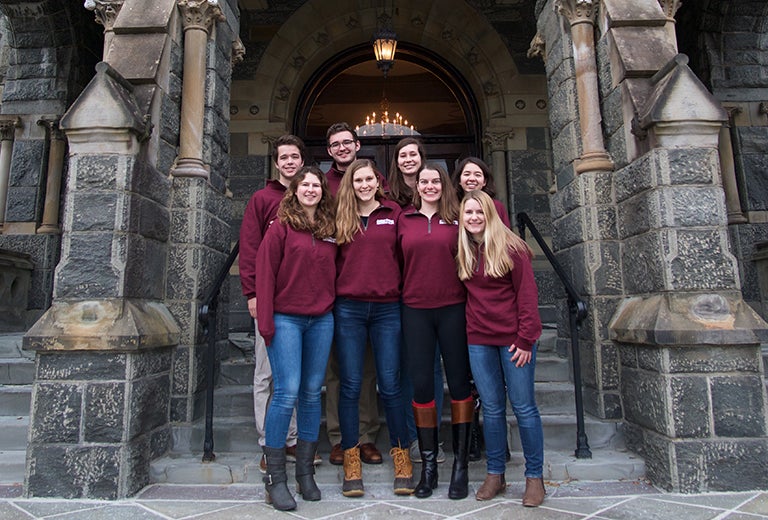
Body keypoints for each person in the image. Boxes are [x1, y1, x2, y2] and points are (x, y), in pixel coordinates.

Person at [255, 166, 337, 511]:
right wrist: (266, 322)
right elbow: (264, 272)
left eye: (316, 185)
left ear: (322, 191)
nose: (311, 190)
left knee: (311, 393)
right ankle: (275, 479)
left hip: (321, 320)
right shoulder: (281, 227)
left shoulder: (330, 228)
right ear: (295, 190)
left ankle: (305, 472)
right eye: (305, 185)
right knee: (286, 391)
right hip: (286, 318)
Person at [456, 190, 545, 506]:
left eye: (479, 212)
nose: (474, 218)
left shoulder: (513, 248)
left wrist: (525, 339)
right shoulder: (465, 250)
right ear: (462, 218)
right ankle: (495, 474)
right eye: (468, 213)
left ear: (490, 215)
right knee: (492, 409)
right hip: (479, 340)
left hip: (513, 342)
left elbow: (527, 296)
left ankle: (534, 478)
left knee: (523, 408)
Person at [238, 134, 321, 473]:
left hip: (307, 306)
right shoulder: (262, 199)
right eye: (283, 157)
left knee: (298, 378)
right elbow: (250, 250)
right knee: (266, 375)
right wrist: (253, 295)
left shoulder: (313, 200)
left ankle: (295, 441)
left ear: (302, 161)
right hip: (271, 303)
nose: (289, 162)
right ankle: (269, 442)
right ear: (277, 163)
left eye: (294, 156)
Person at [333, 159, 413, 497]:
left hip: (387, 309)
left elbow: (406, 256)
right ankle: (351, 458)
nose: (364, 185)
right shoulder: (340, 216)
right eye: (358, 180)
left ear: (377, 182)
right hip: (349, 308)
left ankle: (402, 456)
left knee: (391, 385)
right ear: (350, 184)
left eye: (368, 179)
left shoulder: (393, 214)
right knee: (350, 385)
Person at [398, 163, 474, 500]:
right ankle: (429, 467)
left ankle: (460, 466)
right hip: (414, 309)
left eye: (435, 181)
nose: (429, 186)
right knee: (422, 384)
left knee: (458, 383)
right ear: (416, 187)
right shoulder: (404, 220)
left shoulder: (459, 221)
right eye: (424, 181)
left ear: (445, 186)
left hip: (453, 308)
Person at [324, 122, 383, 467]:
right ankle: (337, 438)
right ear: (329, 151)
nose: (343, 148)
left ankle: (366, 437)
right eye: (336, 144)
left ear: (357, 145)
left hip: (375, 296)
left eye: (348, 142)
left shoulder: (376, 181)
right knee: (338, 371)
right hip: (337, 294)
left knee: (368, 370)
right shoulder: (323, 185)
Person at [387, 137, 447, 465]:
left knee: (431, 370)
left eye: (414, 154)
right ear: (396, 163)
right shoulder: (392, 203)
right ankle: (409, 438)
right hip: (401, 299)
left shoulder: (446, 206)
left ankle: (431, 438)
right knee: (407, 371)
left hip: (439, 301)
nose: (409, 160)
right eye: (403, 155)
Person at [452, 156, 511, 227]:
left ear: (484, 182)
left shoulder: (496, 206)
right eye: (467, 174)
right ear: (459, 180)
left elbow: (504, 235)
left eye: (477, 175)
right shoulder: (451, 207)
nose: (472, 179)